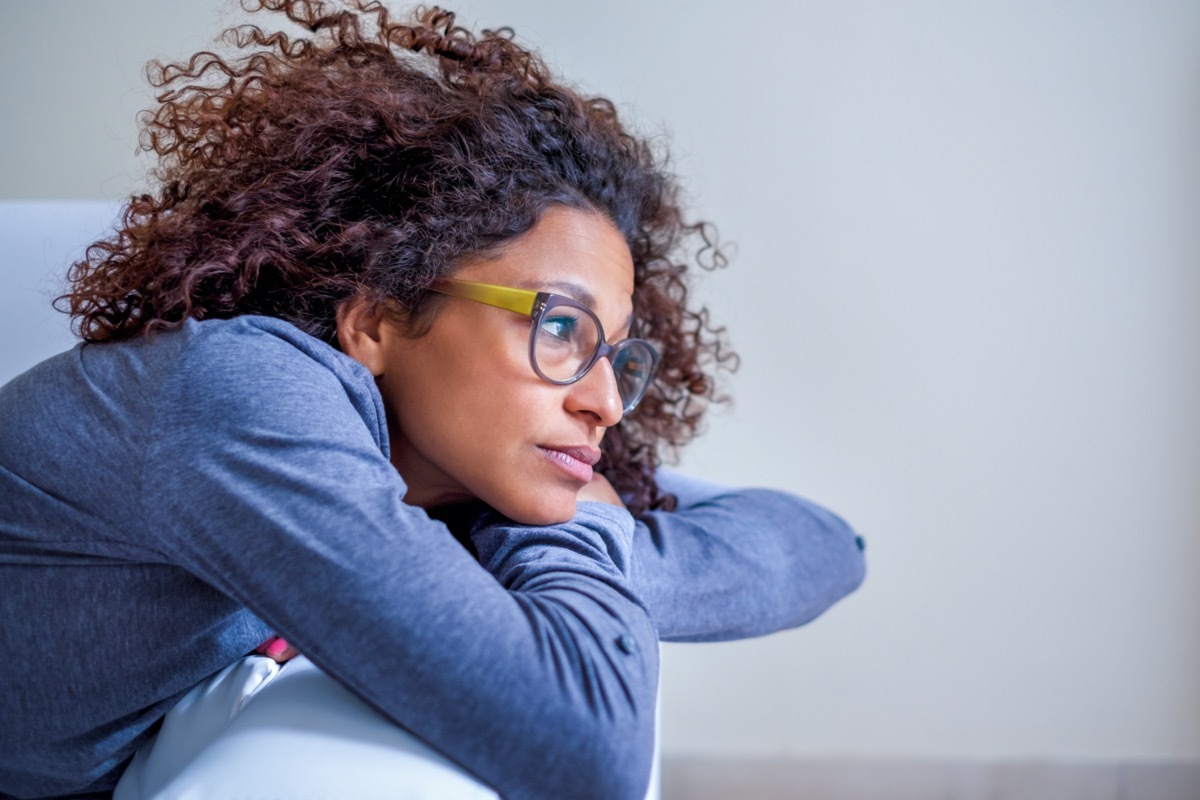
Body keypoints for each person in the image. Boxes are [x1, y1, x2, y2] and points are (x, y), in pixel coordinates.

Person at [0, 2, 865, 798]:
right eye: (560, 326)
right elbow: (586, 746)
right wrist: (578, 534)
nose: (605, 400)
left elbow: (829, 542)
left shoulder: (448, 458)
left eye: (614, 351)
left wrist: (549, 533)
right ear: (376, 318)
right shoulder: (237, 396)